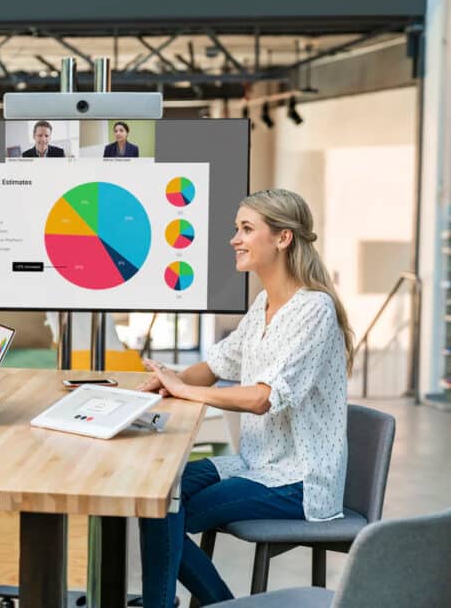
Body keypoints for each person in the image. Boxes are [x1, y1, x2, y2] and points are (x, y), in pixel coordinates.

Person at [136, 189, 353, 607]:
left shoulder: (315, 310)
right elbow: (217, 364)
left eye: (247, 229)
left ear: (283, 238)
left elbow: (262, 399)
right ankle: (220, 603)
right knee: (157, 496)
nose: (235, 239)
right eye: (237, 229)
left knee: (164, 512)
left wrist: (185, 390)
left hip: (298, 481)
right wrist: (168, 380)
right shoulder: (263, 305)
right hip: (254, 463)